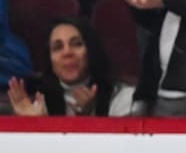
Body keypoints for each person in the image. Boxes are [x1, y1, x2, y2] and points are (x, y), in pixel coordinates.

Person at [6, 16, 135, 116]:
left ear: (91, 50)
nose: (67, 52)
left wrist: (91, 116)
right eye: (57, 47)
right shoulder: (40, 104)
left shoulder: (123, 98)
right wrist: (36, 125)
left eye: (76, 44)